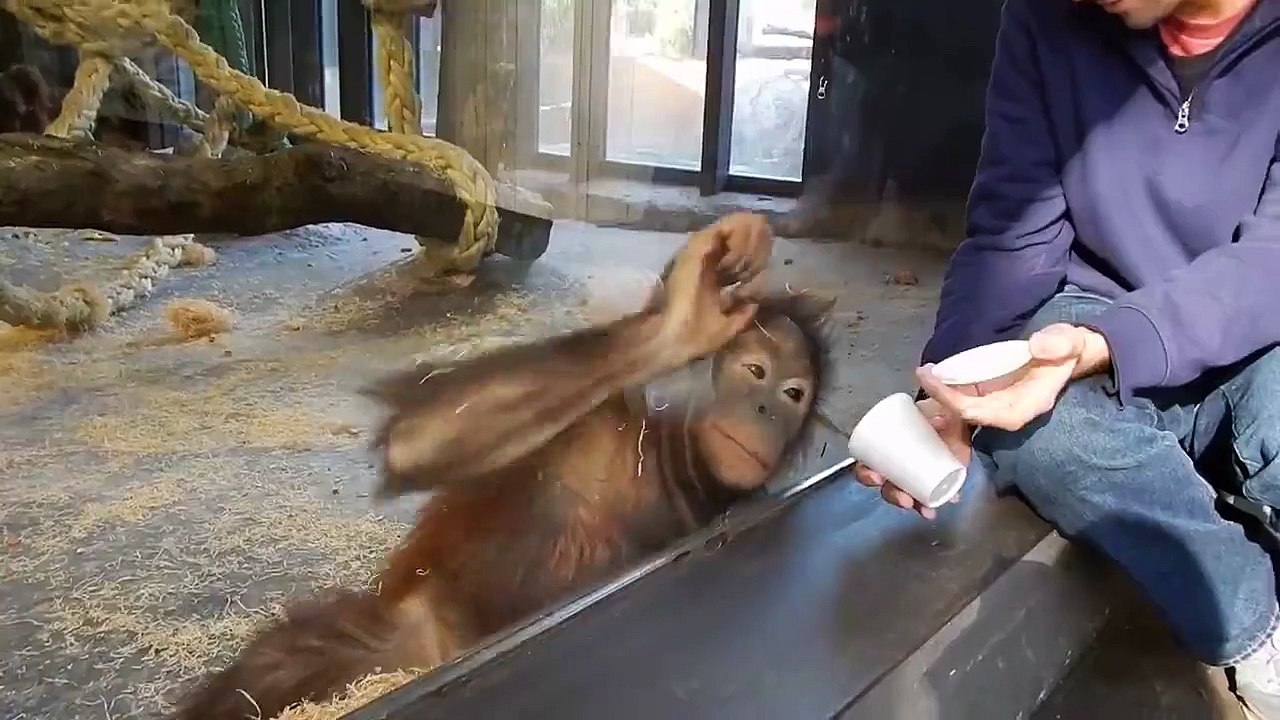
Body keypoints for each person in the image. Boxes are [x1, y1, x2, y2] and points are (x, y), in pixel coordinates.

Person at [849, 0, 1280, 715]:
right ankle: (1255, 627)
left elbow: (1271, 262)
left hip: (1256, 322)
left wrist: (1118, 341)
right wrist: (952, 391)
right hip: (1094, 307)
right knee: (1038, 433)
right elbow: (1013, 234)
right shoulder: (1047, 18)